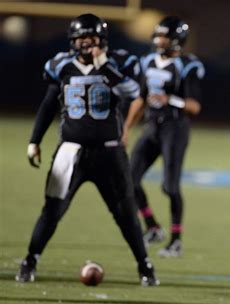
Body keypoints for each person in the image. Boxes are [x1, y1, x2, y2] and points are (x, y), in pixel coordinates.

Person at [16, 13, 158, 286]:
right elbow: (49, 104)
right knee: (52, 210)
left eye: (91, 38)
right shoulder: (61, 65)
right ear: (73, 40)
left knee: (126, 212)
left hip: (110, 152)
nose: (86, 43)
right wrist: (35, 140)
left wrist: (104, 66)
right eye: (81, 38)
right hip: (71, 151)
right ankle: (30, 260)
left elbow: (132, 92)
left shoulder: (119, 62)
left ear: (102, 40)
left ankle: (145, 265)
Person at [122, 16, 204, 257]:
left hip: (175, 129)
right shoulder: (147, 61)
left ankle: (176, 240)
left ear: (176, 40)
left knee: (169, 187)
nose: (159, 40)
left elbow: (194, 106)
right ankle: (153, 227)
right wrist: (126, 128)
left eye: (164, 36)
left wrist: (170, 99)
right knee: (129, 179)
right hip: (151, 127)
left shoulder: (188, 65)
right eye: (158, 35)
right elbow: (140, 98)